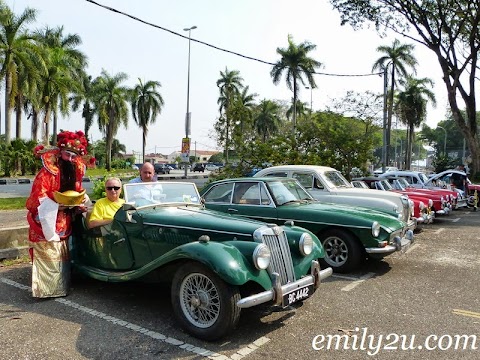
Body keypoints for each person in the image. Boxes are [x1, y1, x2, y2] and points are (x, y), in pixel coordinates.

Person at [26, 130, 93, 298]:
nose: (70, 159)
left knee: (62, 254)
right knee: (48, 252)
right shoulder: (47, 173)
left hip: (64, 219)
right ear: (59, 152)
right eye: (67, 155)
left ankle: (61, 287)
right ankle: (46, 290)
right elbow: (38, 197)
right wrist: (57, 206)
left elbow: (77, 193)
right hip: (47, 219)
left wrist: (79, 205)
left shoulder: (74, 172)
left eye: (73, 156)